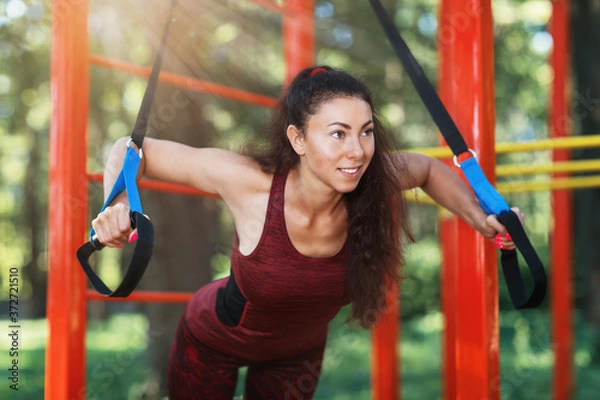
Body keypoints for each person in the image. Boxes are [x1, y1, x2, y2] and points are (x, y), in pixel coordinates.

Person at [92, 66, 521, 399]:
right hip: (212, 340)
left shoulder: (371, 179)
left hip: (297, 354)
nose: (357, 151)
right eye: (337, 134)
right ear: (297, 139)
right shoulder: (250, 183)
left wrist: (480, 218)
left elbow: (427, 168)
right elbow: (132, 150)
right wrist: (118, 206)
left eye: (366, 132)